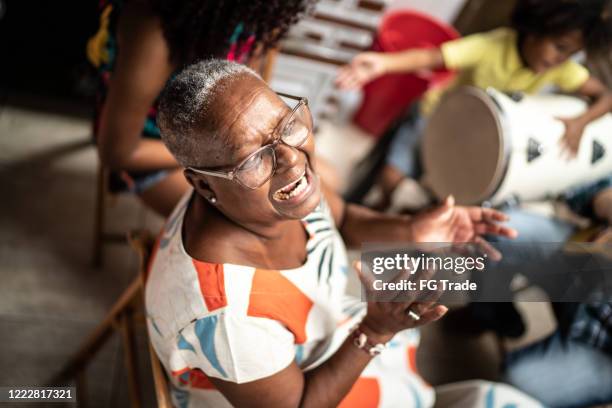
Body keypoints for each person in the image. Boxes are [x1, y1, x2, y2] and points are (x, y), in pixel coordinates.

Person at [143, 59, 537, 407]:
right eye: (253, 159)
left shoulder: (256, 198)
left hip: (332, 338)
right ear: (205, 185)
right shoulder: (228, 320)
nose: (292, 160)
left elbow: (341, 215)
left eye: (285, 124)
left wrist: (412, 229)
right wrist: (374, 332)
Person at [337, 0, 612, 220]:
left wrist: (581, 122)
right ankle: (371, 213)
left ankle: (398, 220)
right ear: (536, 28)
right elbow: (434, 57)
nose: (559, 59)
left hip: (471, 137)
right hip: (433, 117)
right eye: (559, 47)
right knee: (391, 179)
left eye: (569, 54)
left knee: (442, 194)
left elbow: (605, 96)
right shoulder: (491, 46)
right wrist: (383, 64)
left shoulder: (560, 69)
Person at [86, 0, 318, 216]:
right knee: (272, 215)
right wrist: (228, 158)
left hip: (229, 152)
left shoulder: (255, 17)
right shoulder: (154, 28)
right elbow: (118, 154)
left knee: (324, 186)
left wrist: (257, 151)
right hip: (152, 155)